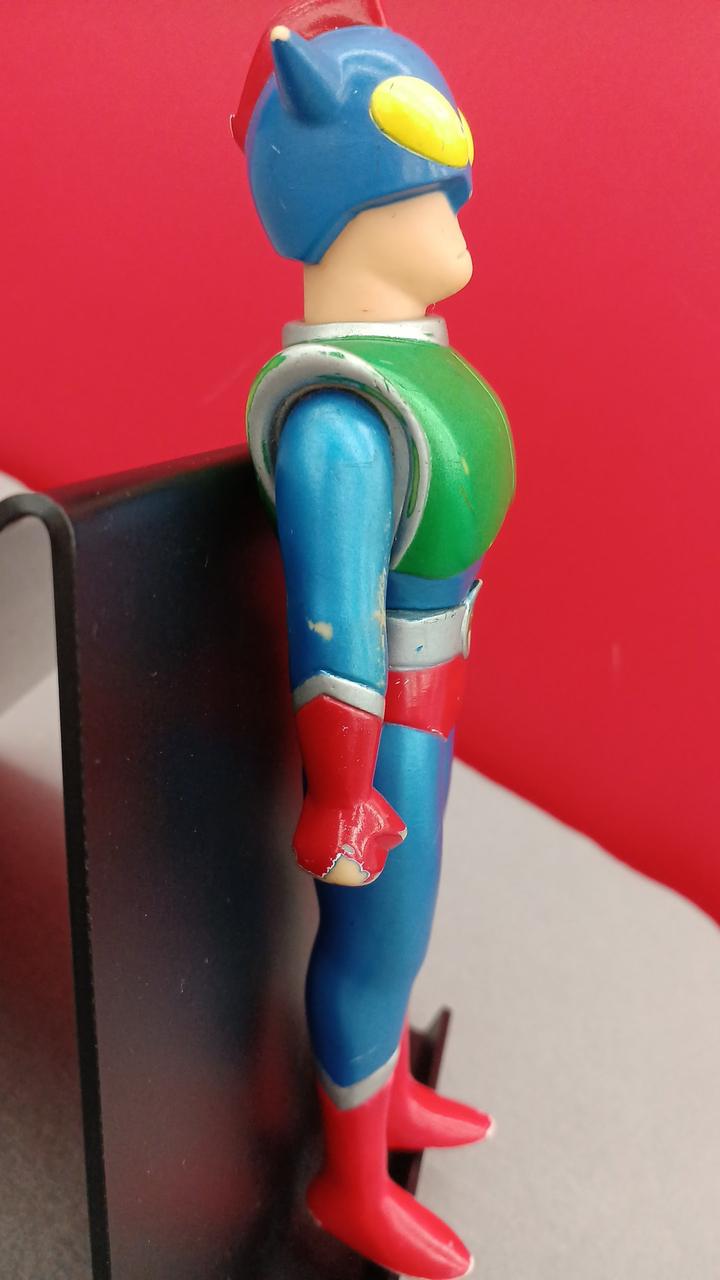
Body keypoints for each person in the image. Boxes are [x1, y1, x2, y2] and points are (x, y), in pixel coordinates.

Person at [234, 4, 515, 1275]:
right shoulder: (340, 419)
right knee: (373, 939)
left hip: (434, 694)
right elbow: (333, 626)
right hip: (382, 718)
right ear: (342, 203)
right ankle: (350, 1182)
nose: (455, 211)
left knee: (411, 922)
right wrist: (342, 790)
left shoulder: (409, 373)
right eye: (424, 188)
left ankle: (386, 1092)